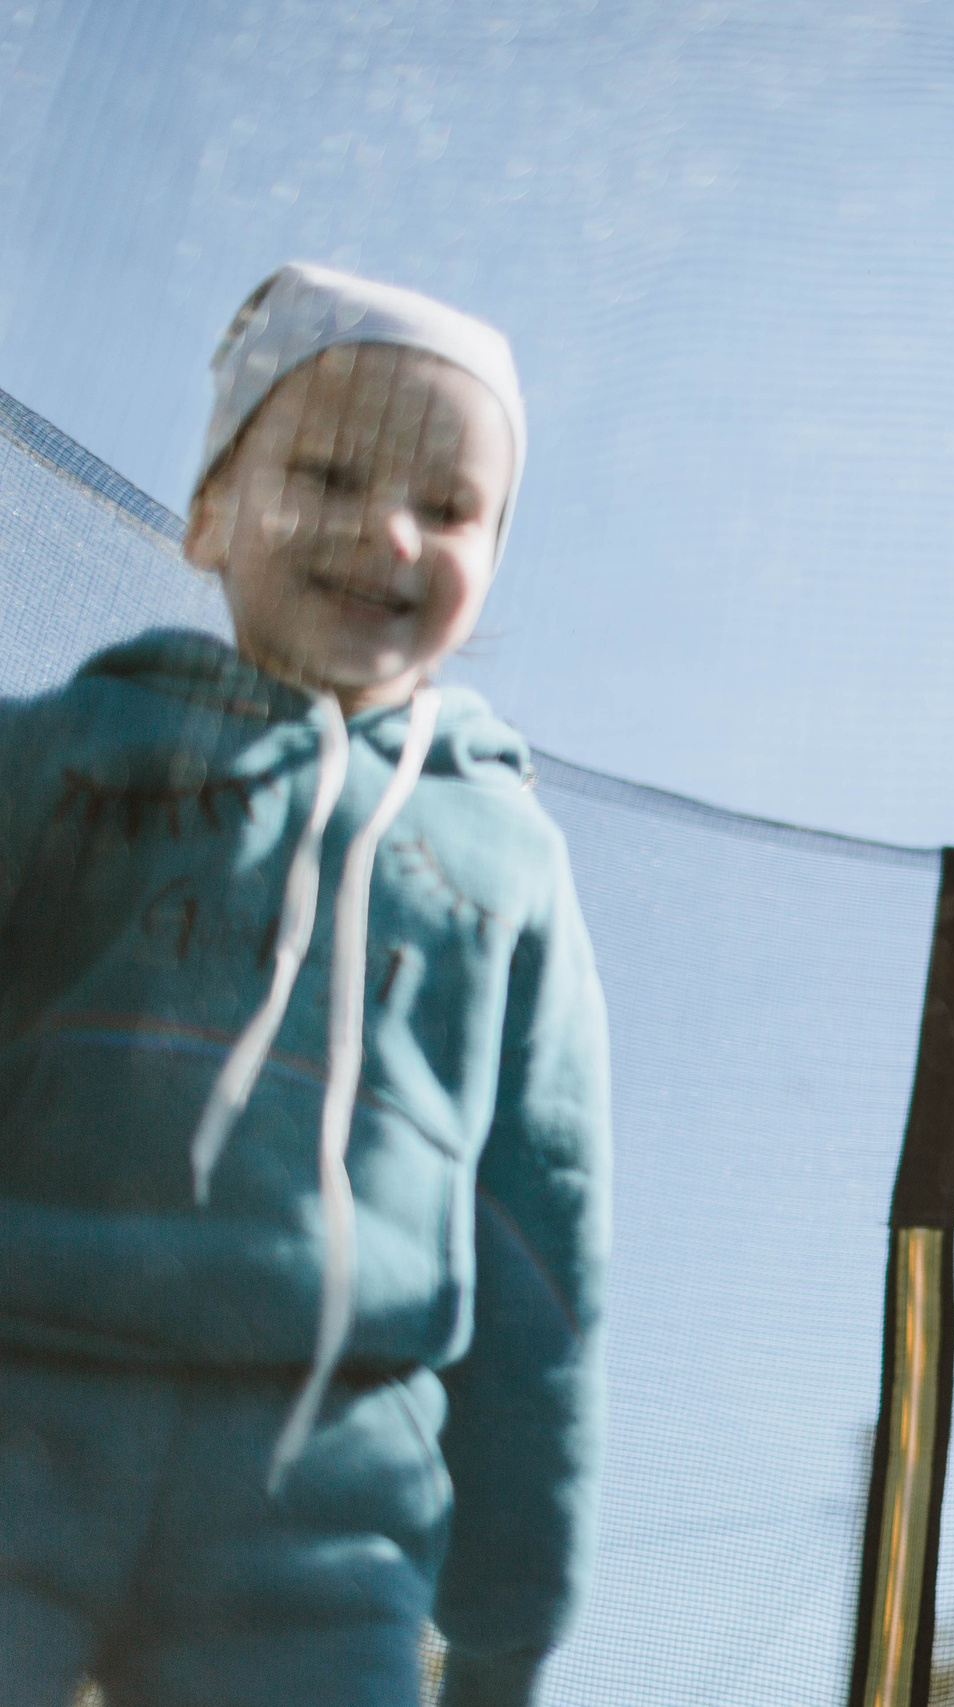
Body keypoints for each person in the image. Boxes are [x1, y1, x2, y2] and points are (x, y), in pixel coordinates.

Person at [0, 264, 609, 1707]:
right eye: (330, 472)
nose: (388, 529)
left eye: (448, 507)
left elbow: (545, 1240)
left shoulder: (508, 860)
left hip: (330, 1500)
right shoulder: (60, 754)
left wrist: (510, 1622)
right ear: (210, 512)